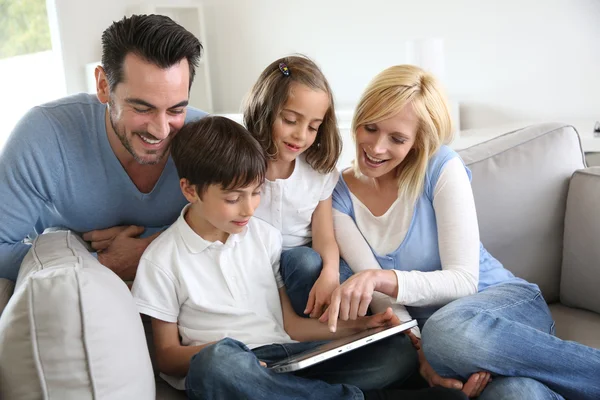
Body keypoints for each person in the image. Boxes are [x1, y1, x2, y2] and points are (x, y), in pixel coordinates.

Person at [302, 64, 599, 399]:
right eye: (369, 128)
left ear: (418, 141)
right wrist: (422, 357)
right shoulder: (337, 194)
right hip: (441, 341)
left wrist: (380, 278)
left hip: (500, 307)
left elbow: (462, 280)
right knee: (517, 394)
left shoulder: (441, 168)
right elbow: (385, 303)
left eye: (397, 138)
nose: (377, 147)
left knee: (447, 332)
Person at [131, 115, 467, 400]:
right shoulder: (161, 260)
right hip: (231, 365)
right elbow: (167, 358)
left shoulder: (263, 237)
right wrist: (237, 356)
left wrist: (362, 326)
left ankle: (279, 390)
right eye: (234, 198)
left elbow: (290, 325)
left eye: (256, 193)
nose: (249, 208)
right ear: (190, 190)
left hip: (286, 354)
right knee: (216, 364)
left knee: (396, 354)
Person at [0, 14, 206, 282]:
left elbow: (241, 229)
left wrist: (151, 247)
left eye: (176, 110)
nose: (161, 130)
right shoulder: (44, 133)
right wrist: (103, 263)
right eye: (143, 108)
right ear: (103, 86)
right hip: (74, 289)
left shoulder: (208, 138)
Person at [242, 55, 346, 319]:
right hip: (253, 270)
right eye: (290, 120)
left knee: (307, 261)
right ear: (264, 110)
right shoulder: (239, 164)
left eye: (313, 127)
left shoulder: (318, 173)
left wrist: (330, 275)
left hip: (302, 274)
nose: (301, 136)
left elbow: (324, 238)